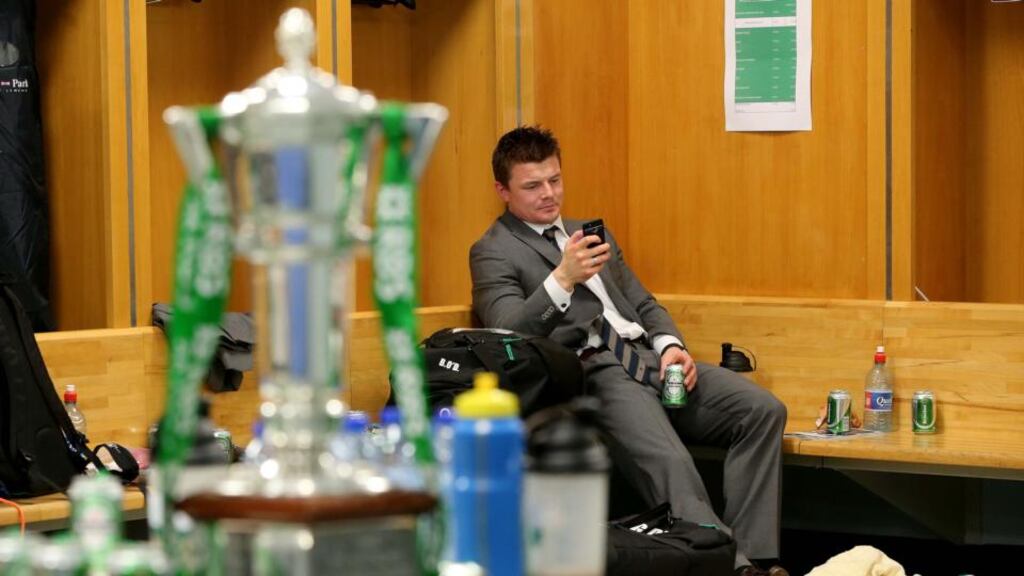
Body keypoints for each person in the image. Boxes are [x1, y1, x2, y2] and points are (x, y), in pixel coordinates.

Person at [469, 126, 789, 576]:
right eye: (532, 185)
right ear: (502, 190)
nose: (549, 194)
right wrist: (562, 278)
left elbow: (641, 302)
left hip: (651, 357)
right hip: (596, 369)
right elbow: (508, 334)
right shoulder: (493, 251)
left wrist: (671, 345)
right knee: (671, 459)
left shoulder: (588, 232)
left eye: (555, 180)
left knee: (761, 410)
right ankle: (732, 568)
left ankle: (757, 555)